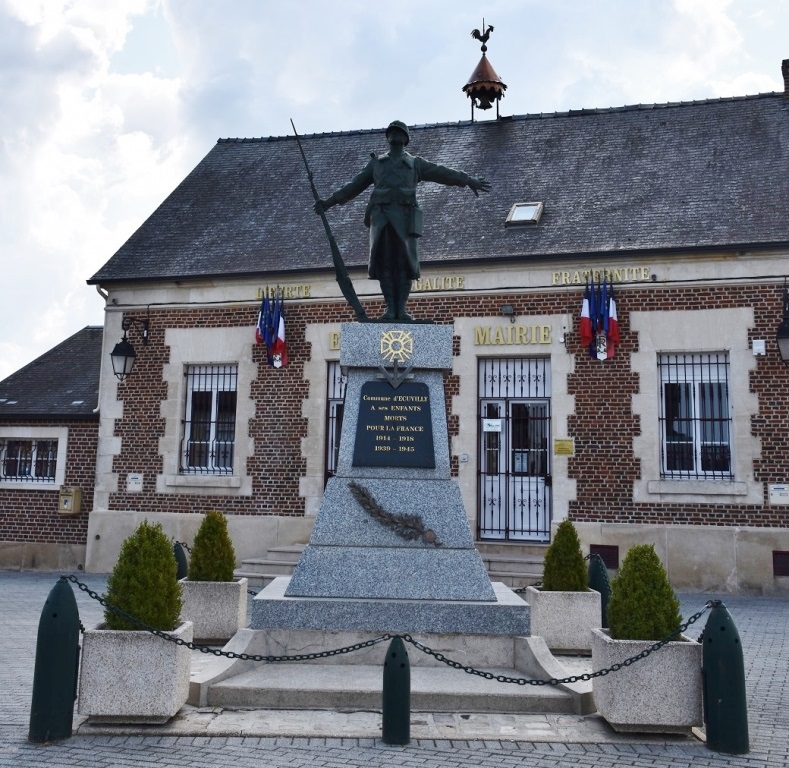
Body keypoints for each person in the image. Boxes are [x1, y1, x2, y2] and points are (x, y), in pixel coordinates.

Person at [315, 120, 490, 321]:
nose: (396, 135)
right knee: (385, 264)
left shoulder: (415, 164)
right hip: (381, 218)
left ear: (406, 139)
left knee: (406, 264)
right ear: (388, 138)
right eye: (392, 132)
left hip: (406, 219)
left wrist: (467, 180)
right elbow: (354, 186)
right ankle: (391, 309)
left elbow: (442, 172)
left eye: (400, 133)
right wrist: (328, 202)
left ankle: (402, 309)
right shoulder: (376, 164)